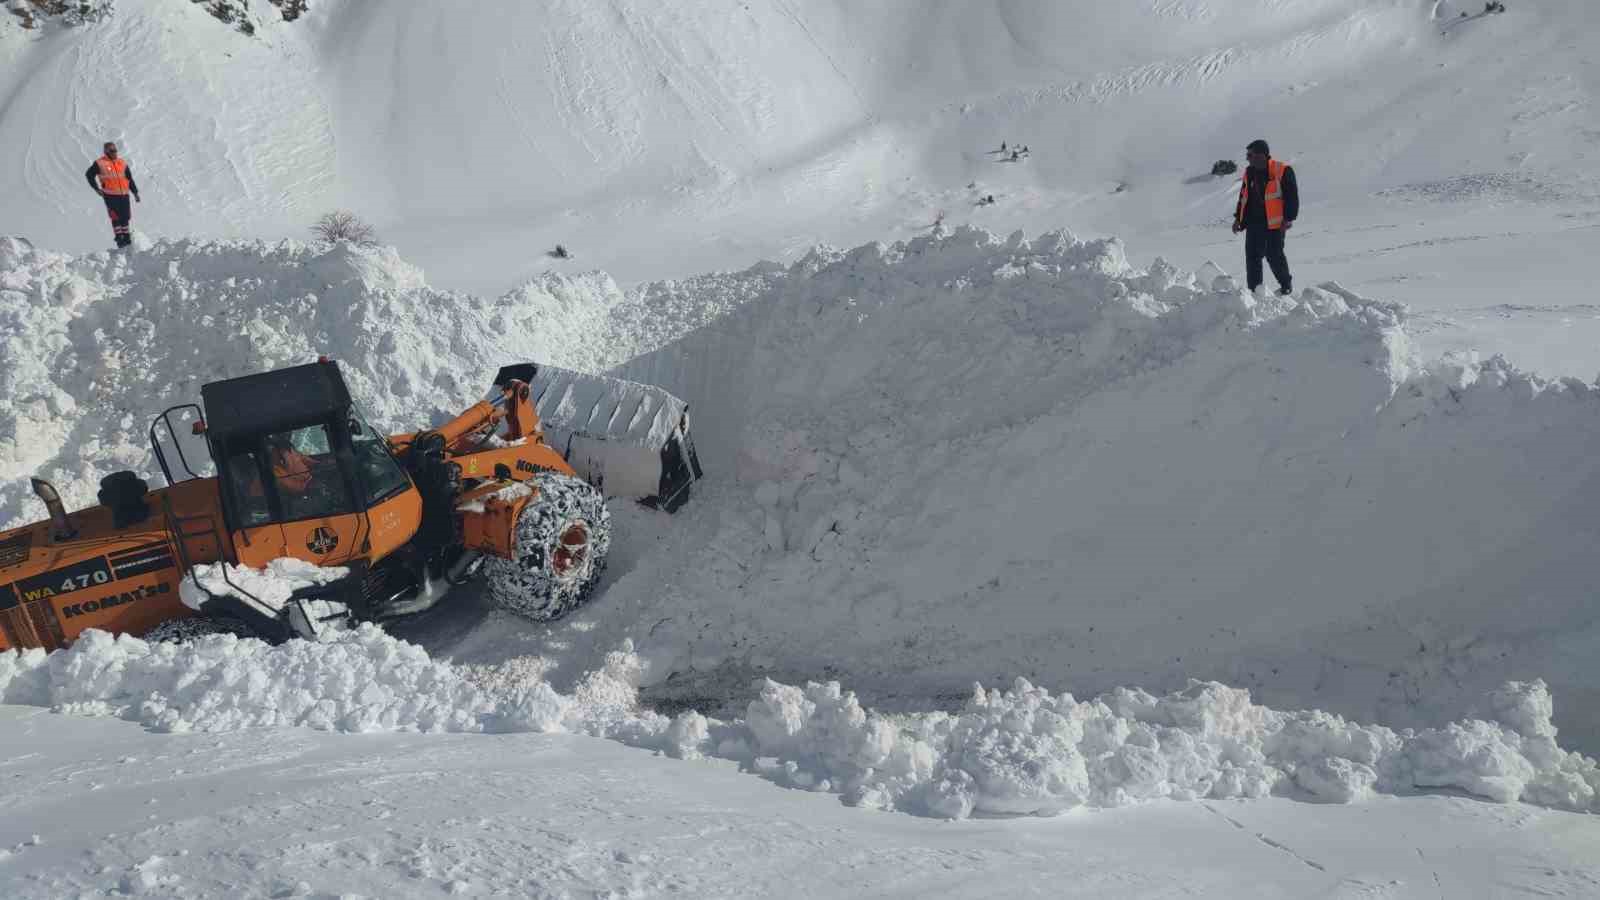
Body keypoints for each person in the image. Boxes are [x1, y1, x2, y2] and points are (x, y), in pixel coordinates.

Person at [1232, 139, 1298, 296]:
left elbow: (1292, 197)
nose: (1247, 158)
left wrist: (1288, 218)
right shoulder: (1249, 173)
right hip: (1254, 223)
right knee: (1252, 258)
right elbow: (1243, 197)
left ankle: (1286, 286)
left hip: (1274, 224)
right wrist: (1238, 219)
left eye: (1250, 155)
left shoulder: (1282, 170)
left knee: (1274, 256)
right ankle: (1254, 292)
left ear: (1261, 155)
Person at [85, 142, 140, 248]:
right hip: (110, 195)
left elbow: (129, 179)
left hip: (124, 194)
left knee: (126, 216)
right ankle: (119, 238)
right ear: (106, 151)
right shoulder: (100, 163)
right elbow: (89, 175)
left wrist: (135, 192)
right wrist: (97, 189)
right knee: (115, 217)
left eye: (115, 150)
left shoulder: (122, 163)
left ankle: (126, 236)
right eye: (112, 151)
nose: (115, 152)